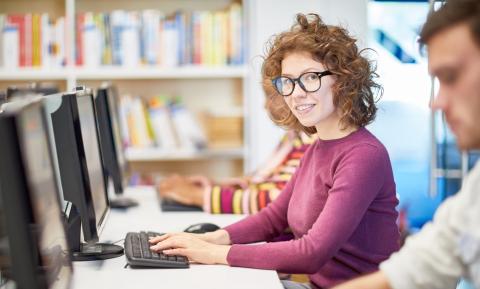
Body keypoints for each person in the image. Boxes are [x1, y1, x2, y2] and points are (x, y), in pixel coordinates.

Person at [149, 13, 400, 289]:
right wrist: (209, 239)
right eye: (288, 82)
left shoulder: (364, 155)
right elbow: (273, 218)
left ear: (342, 80)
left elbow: (311, 253)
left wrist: (214, 254)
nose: (296, 93)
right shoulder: (318, 147)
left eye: (310, 77)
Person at [332, 0, 480, 288]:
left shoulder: (364, 153)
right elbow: (406, 274)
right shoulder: (475, 191)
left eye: (451, 77)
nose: (435, 102)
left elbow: (315, 247)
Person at [157, 130, 314, 214]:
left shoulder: (311, 141)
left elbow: (279, 202)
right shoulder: (293, 136)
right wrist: (218, 186)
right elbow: (264, 182)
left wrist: (199, 196)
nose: (265, 105)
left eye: (271, 96)